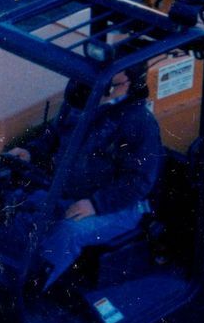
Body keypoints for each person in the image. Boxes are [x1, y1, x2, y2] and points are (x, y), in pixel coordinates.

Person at [26, 76, 164, 292]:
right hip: (70, 193)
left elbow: (139, 181)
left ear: (127, 83)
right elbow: (52, 136)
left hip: (118, 207)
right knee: (24, 206)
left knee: (68, 231)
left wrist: (95, 204)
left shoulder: (139, 123)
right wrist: (30, 152)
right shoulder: (81, 104)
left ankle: (29, 290)